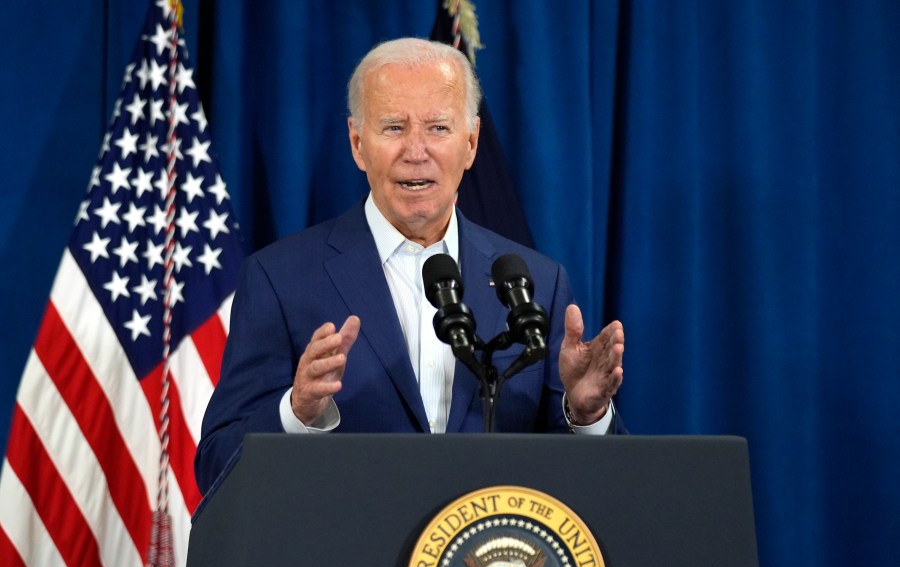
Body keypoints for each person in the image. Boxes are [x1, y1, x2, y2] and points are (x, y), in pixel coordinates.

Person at [195, 38, 625, 495]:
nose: (416, 151)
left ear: (471, 143)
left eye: (438, 128)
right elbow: (217, 465)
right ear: (358, 145)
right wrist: (296, 412)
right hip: (348, 559)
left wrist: (585, 415)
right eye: (394, 128)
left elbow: (596, 487)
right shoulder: (280, 278)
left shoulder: (535, 283)